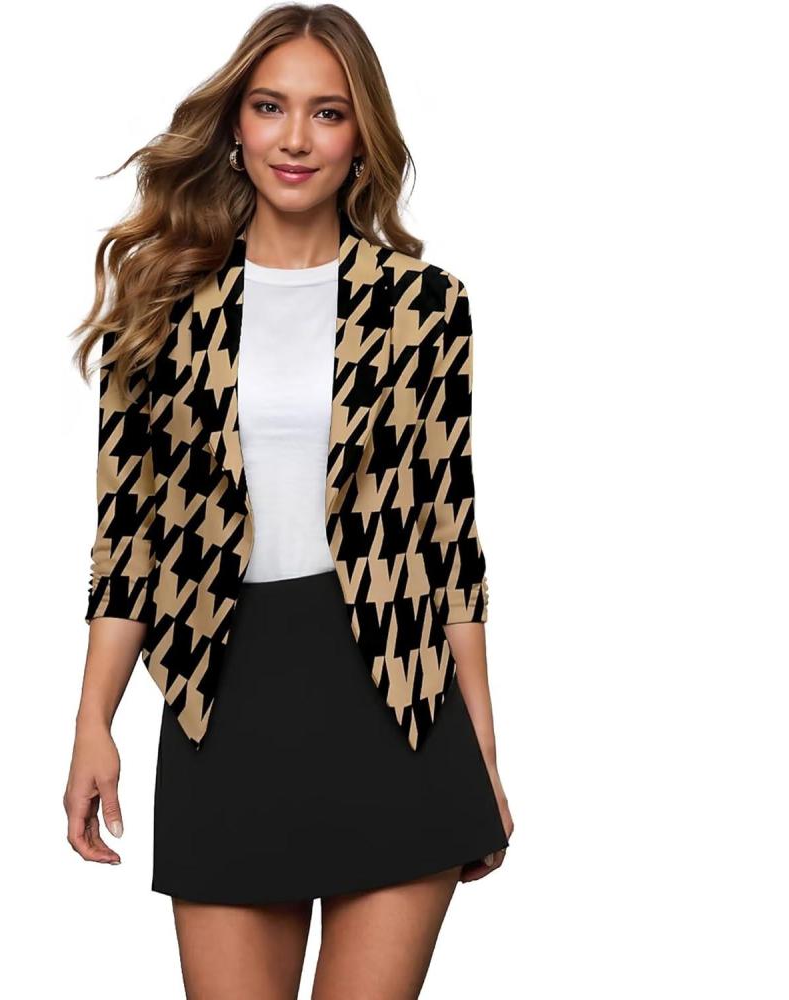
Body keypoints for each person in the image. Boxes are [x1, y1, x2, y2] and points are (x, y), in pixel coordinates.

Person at [64, 4, 514, 996]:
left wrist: (482, 747)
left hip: (398, 701)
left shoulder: (425, 306)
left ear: (361, 137)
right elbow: (127, 539)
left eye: (328, 112)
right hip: (222, 699)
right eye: (270, 107)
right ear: (235, 124)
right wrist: (93, 720)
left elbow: (448, 534)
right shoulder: (162, 303)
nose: (296, 138)